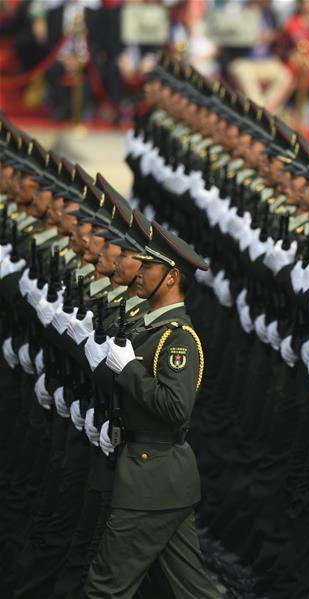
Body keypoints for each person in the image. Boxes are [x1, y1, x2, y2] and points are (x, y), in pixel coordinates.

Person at [82, 221, 220, 598]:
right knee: (193, 589)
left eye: (148, 268)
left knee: (104, 588)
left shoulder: (178, 339)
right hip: (157, 477)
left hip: (151, 478)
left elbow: (176, 408)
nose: (138, 273)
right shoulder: (151, 329)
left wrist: (128, 370)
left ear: (172, 277)